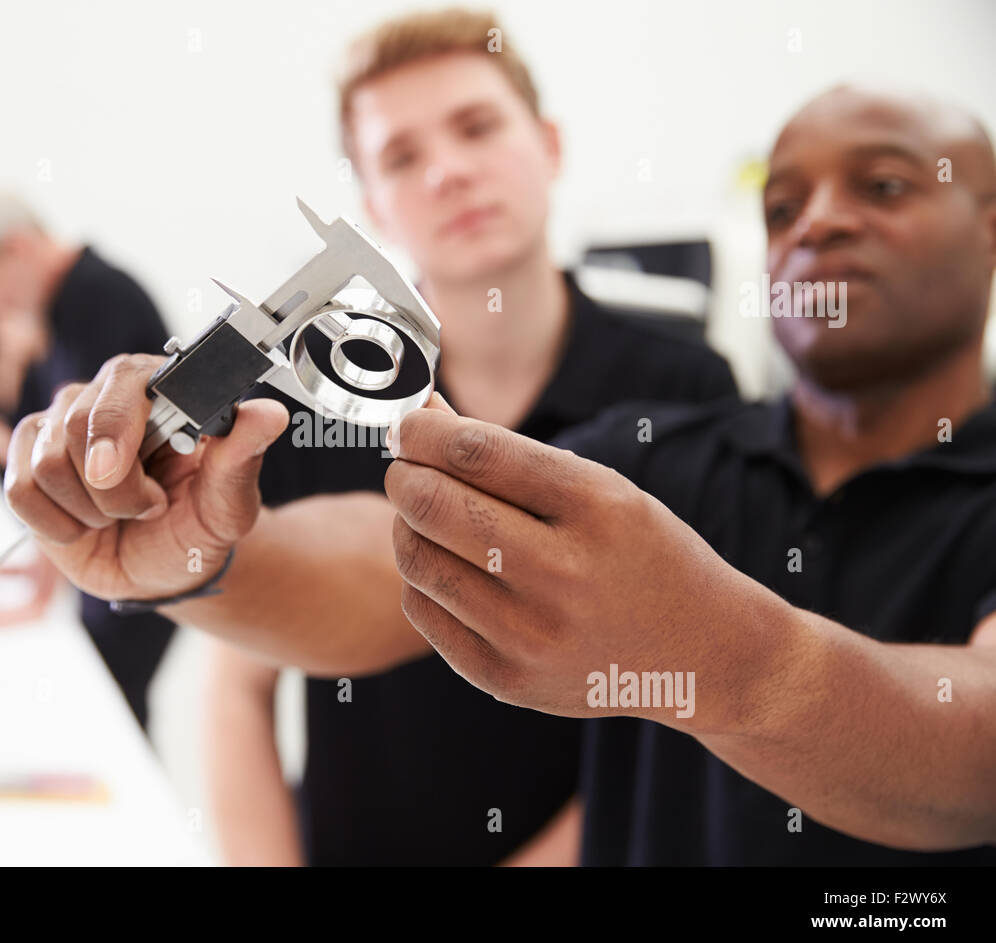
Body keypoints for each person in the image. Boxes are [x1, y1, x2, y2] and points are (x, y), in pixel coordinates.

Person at [0, 84, 996, 864]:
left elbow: (975, 747)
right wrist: (198, 558)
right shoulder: (663, 450)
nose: (816, 223)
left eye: (885, 185)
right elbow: (382, 565)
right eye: (783, 205)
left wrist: (710, 651)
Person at [206, 9, 736, 866]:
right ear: (373, 203)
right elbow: (238, 682)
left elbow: (695, 700)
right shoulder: (313, 391)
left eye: (477, 127)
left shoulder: (683, 388)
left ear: (550, 144)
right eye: (403, 157)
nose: (448, 171)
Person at [0, 194, 177, 730]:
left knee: (117, 711)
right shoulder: (69, 301)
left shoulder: (93, 300)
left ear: (18, 249)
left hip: (147, 538)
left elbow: (82, 466)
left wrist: (37, 595)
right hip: (125, 535)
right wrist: (36, 568)